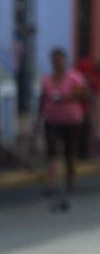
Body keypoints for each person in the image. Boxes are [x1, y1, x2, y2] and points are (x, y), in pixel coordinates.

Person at [38, 48, 90, 211]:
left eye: (59, 59)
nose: (57, 63)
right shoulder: (46, 80)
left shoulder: (75, 78)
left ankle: (70, 181)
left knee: (69, 152)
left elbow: (85, 95)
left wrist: (70, 97)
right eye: (54, 59)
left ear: (64, 61)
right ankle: (51, 184)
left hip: (72, 120)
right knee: (52, 151)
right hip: (52, 119)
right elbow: (42, 98)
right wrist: (38, 118)